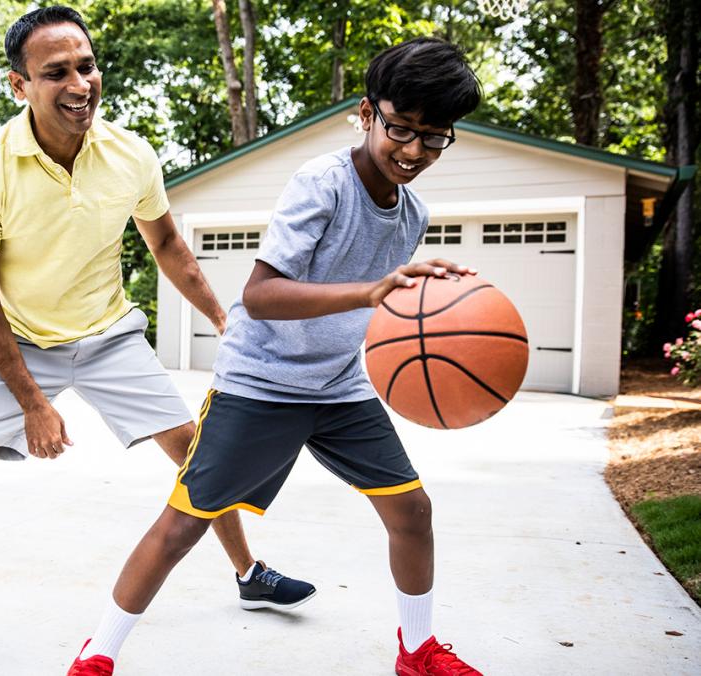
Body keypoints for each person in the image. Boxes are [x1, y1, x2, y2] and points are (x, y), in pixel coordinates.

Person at [0, 7, 314, 676]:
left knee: (201, 457)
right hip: (20, 339)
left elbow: (167, 243)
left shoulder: (129, 154)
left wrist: (223, 319)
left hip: (110, 334)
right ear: (18, 85)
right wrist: (32, 402)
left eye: (85, 65)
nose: (78, 83)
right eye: (55, 72)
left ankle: (249, 573)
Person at [68, 37, 485, 676]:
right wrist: (370, 291)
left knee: (412, 510)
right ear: (369, 113)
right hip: (260, 383)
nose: (413, 150)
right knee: (184, 524)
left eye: (435, 138)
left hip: (340, 386)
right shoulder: (322, 183)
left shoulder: (412, 213)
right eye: (401, 128)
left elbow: (381, 302)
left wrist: (429, 305)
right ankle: (97, 655)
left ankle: (418, 649)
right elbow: (260, 296)